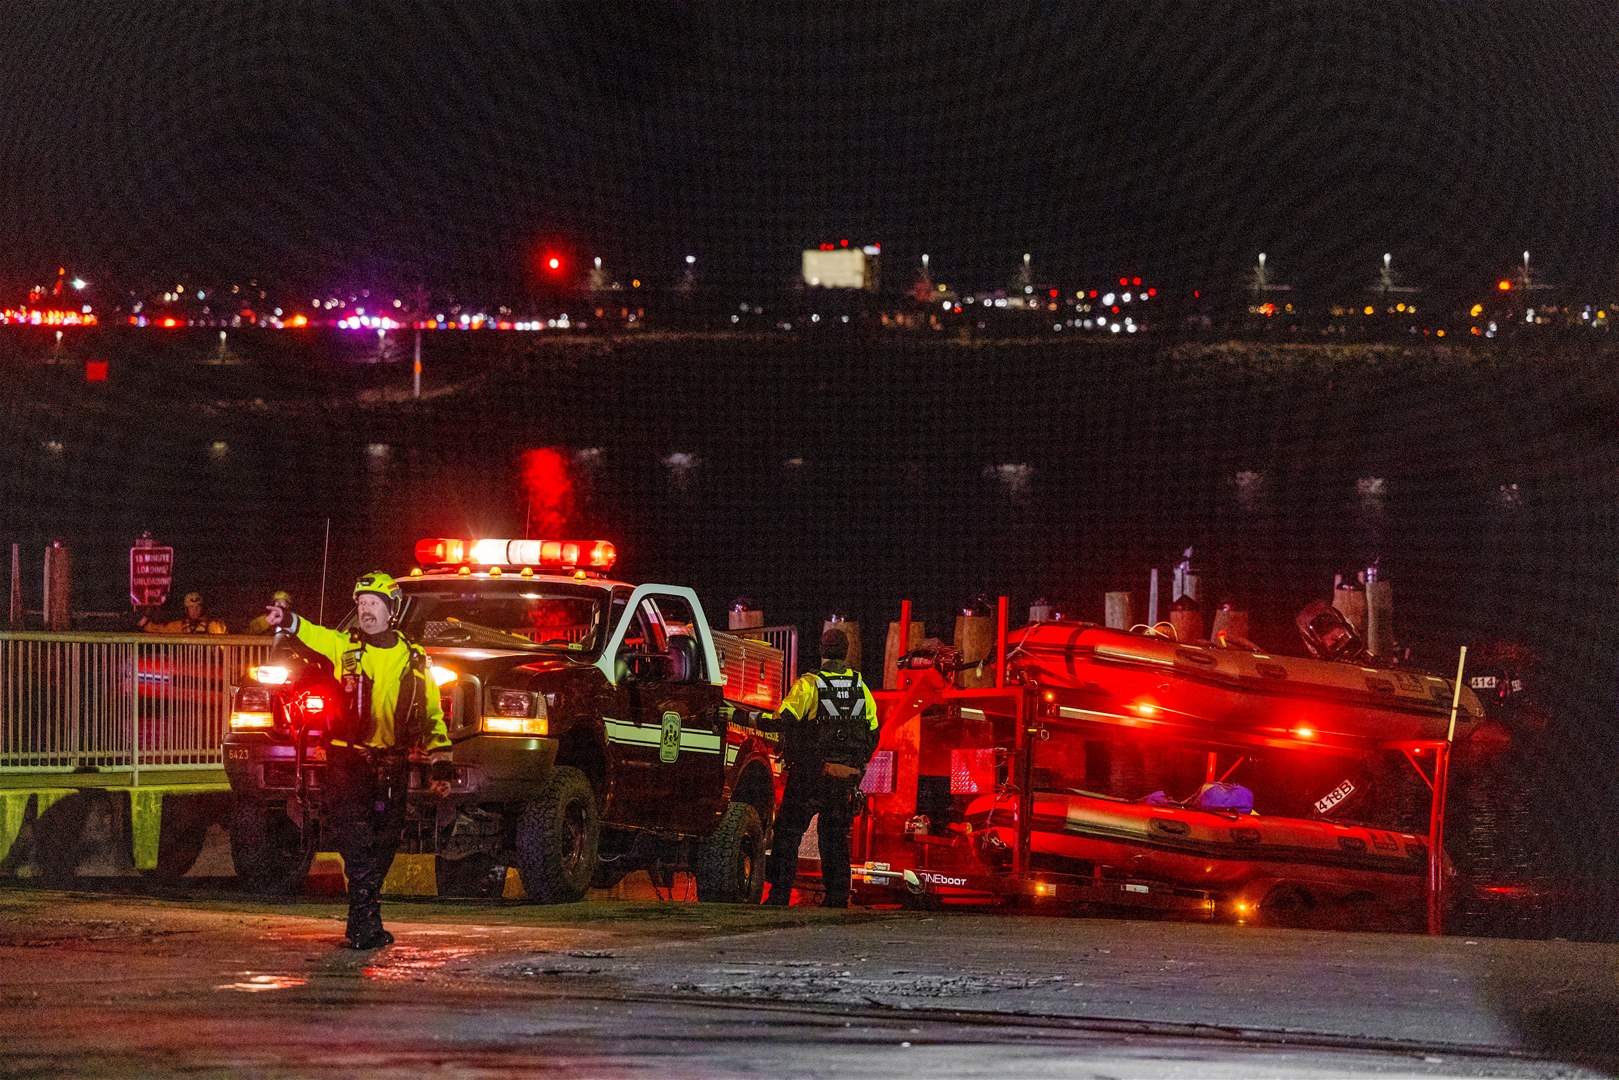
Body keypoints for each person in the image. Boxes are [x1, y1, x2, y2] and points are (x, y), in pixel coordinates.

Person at [264, 571, 451, 949]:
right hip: (347, 762)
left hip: (392, 765)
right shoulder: (344, 647)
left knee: (384, 845)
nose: (365, 611)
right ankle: (367, 923)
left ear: (390, 610)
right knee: (356, 840)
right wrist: (288, 620)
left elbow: (432, 713)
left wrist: (440, 764)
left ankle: (361, 919)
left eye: (373, 604)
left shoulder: (413, 658)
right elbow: (314, 633)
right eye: (361, 604)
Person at [760, 628, 879, 908]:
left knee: (788, 833)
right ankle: (837, 899)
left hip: (809, 774)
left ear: (822, 650)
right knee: (835, 837)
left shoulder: (809, 684)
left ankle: (779, 896)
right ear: (847, 651)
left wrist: (745, 717)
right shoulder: (860, 687)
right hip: (843, 778)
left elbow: (783, 720)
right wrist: (855, 766)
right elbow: (873, 732)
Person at [139, 591, 227, 634]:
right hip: (186, 666)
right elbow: (153, 628)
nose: (195, 610)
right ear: (186, 609)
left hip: (207, 666)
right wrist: (147, 614)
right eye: (191, 607)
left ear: (202, 608)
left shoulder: (213, 625)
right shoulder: (180, 625)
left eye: (197, 607)